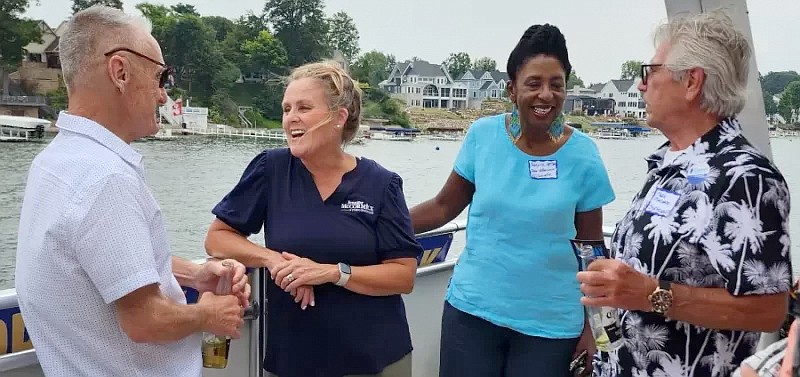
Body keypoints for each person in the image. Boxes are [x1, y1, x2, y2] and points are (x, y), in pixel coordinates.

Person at [14, 6, 250, 377]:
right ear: (120, 72)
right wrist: (210, 313)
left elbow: (99, 258)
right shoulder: (105, 179)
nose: (162, 95)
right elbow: (145, 321)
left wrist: (194, 275)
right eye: (160, 77)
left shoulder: (55, 162)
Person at [576, 10, 792, 377]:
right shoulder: (667, 164)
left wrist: (650, 294)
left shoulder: (744, 177)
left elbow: (768, 309)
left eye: (649, 73)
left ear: (692, 82)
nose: (641, 86)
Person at [410, 24, 615, 377]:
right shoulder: (483, 136)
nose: (546, 95)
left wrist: (596, 332)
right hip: (472, 314)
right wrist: (375, 221)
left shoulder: (584, 155)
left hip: (551, 327)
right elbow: (444, 207)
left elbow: (592, 249)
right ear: (511, 89)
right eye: (534, 83)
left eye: (556, 84)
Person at [204, 60, 423, 377]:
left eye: (304, 108)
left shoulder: (381, 184)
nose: (291, 117)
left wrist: (332, 273)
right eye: (287, 108)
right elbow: (217, 238)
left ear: (339, 117)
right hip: (293, 360)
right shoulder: (271, 170)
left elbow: (404, 275)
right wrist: (273, 260)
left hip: (375, 360)